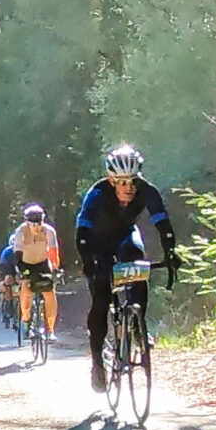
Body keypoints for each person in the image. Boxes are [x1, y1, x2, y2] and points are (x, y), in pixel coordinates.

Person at [74, 146, 181, 392]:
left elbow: (162, 221)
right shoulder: (97, 193)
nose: (129, 188)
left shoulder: (147, 191)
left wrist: (170, 251)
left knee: (138, 263)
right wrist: (88, 261)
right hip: (97, 242)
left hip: (125, 238)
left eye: (133, 181)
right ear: (111, 180)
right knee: (101, 300)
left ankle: (136, 327)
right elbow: (82, 230)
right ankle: (97, 362)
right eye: (122, 182)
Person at [6, 203, 62, 342]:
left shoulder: (49, 231)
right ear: (26, 222)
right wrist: (21, 270)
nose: (36, 227)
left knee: (50, 293)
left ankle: (50, 330)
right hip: (25, 263)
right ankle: (25, 320)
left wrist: (55, 269)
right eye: (33, 224)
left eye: (39, 223)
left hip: (43, 263)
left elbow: (54, 252)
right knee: (26, 288)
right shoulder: (21, 231)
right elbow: (17, 254)